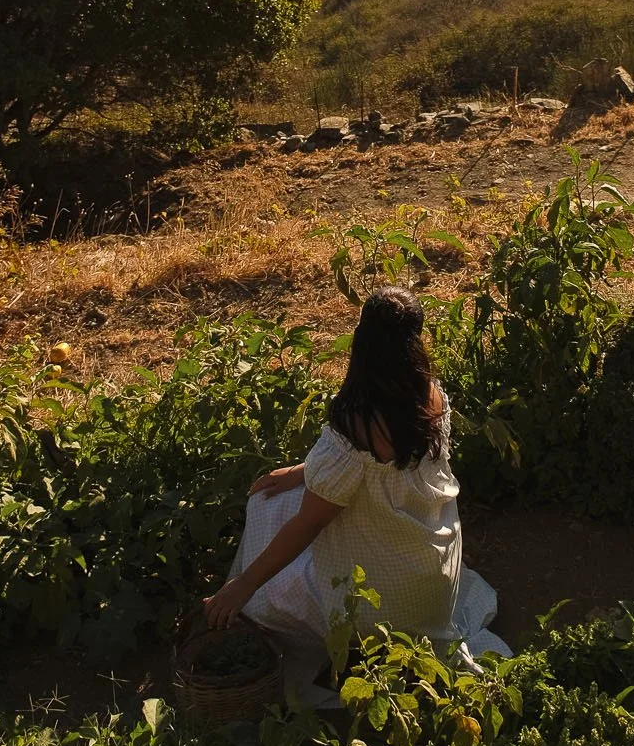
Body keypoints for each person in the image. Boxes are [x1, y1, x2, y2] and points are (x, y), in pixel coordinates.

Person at [203, 285, 509, 703]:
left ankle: (339, 643)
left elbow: (308, 525)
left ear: (362, 342)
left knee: (268, 509)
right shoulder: (429, 396)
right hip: (434, 578)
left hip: (380, 607)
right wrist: (301, 471)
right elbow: (383, 472)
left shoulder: (356, 422)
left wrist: (242, 587)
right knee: (299, 494)